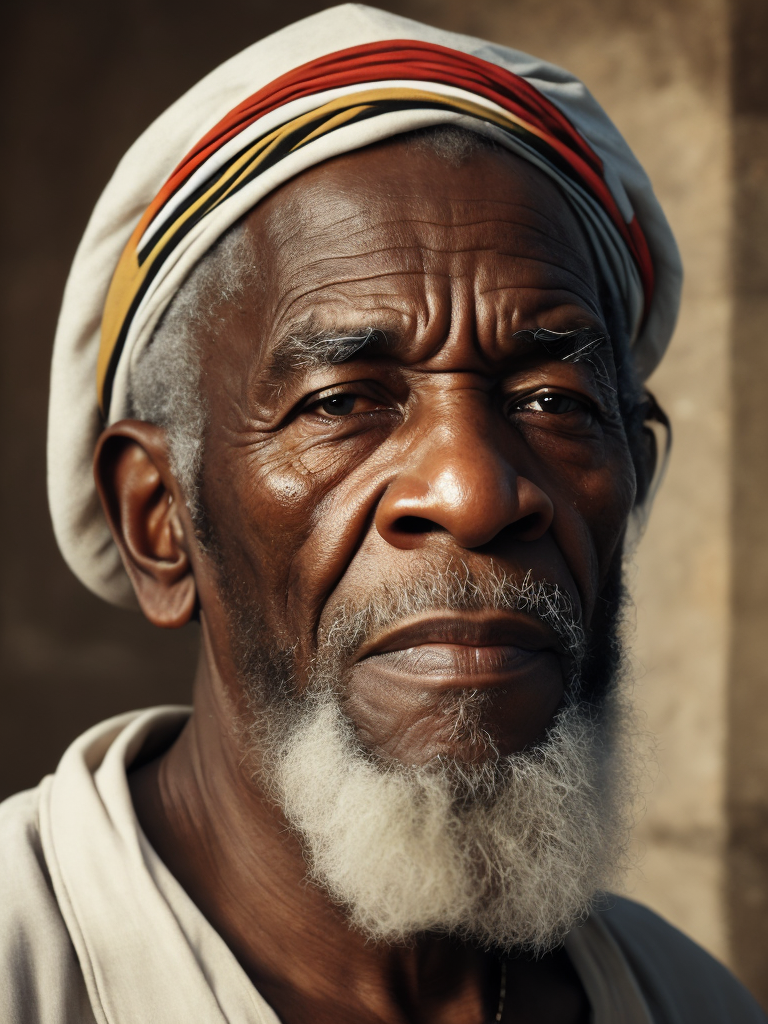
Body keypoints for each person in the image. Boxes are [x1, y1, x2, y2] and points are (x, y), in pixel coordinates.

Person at [1, 5, 764, 1022]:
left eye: (553, 402)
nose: (475, 492)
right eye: (341, 404)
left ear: (637, 478)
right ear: (160, 518)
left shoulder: (690, 1003)